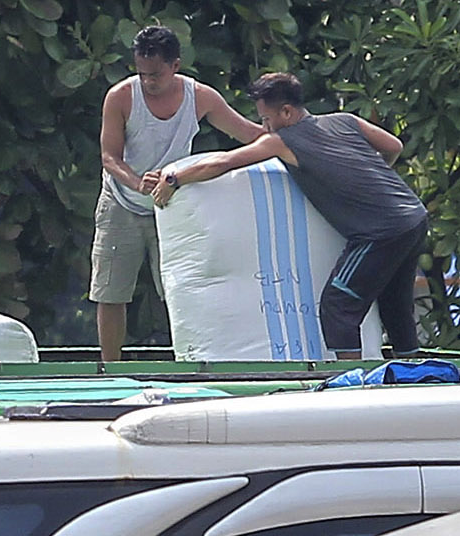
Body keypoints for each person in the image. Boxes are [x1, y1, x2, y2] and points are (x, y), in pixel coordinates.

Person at [151, 71, 428, 360]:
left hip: (381, 232)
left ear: (286, 111)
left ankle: (350, 385)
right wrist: (371, 178)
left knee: (338, 305)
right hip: (414, 217)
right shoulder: (344, 120)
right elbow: (393, 146)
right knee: (395, 304)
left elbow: (224, 162)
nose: (264, 127)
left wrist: (174, 179)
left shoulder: (283, 140)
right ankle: (414, 372)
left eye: (266, 119)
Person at [90, 25, 262, 365]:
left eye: (155, 75)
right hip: (121, 202)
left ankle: (188, 361)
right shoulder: (122, 96)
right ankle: (109, 368)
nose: (148, 81)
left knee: (178, 290)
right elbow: (109, 156)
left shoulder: (202, 98)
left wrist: (294, 139)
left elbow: (248, 135)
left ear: (175, 66)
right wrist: (137, 182)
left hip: (170, 205)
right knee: (110, 291)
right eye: (141, 73)